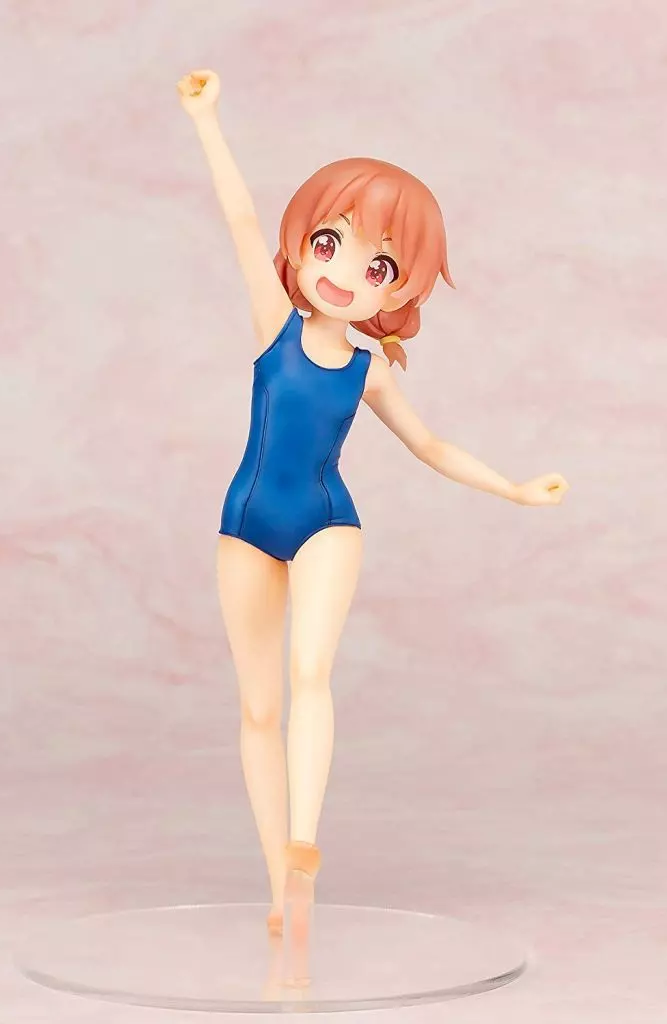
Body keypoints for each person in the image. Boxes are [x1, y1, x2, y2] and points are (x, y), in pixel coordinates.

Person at [177, 69, 570, 946]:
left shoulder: (369, 371)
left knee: (311, 672)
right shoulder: (273, 326)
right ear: (301, 244)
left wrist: (510, 487)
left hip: (326, 520)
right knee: (258, 709)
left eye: (377, 266)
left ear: (397, 291)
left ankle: (304, 845)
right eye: (330, 243)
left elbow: (429, 446)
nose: (344, 274)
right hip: (245, 525)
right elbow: (238, 219)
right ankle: (279, 883)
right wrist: (206, 119)